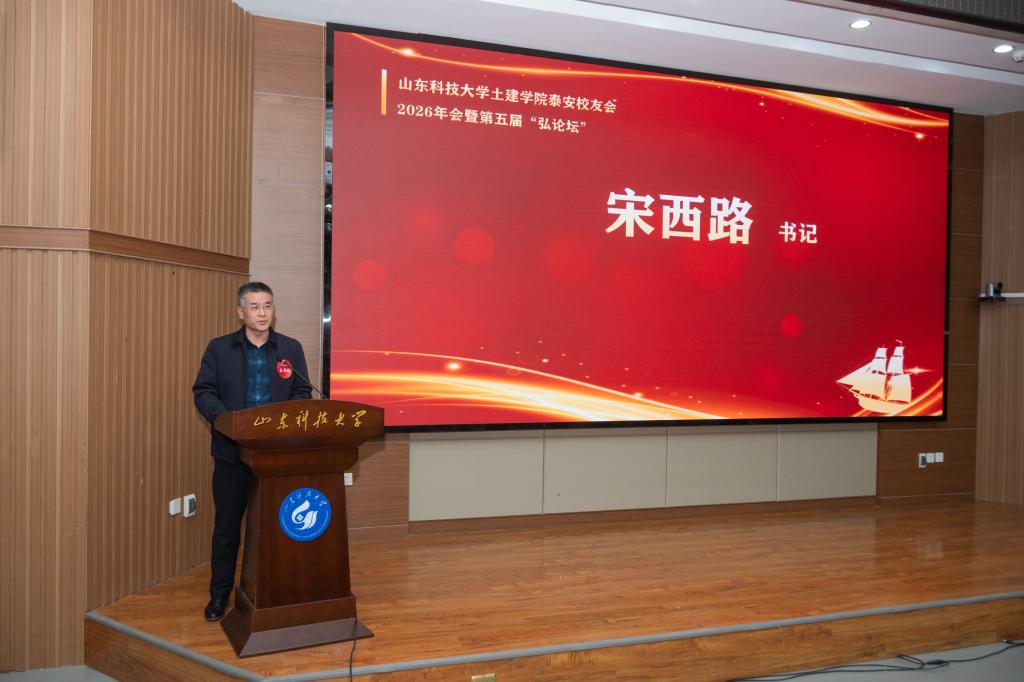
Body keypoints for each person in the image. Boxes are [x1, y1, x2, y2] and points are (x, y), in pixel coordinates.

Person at [192, 281, 312, 622]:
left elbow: (302, 391)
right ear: (240, 312)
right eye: (255, 307)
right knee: (227, 528)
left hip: (276, 457)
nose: (262, 313)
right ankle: (219, 595)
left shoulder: (290, 348)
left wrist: (284, 421)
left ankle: (277, 590)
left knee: (278, 528)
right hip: (232, 454)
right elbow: (203, 391)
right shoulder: (220, 349)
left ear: (274, 310)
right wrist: (228, 421)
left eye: (268, 306)